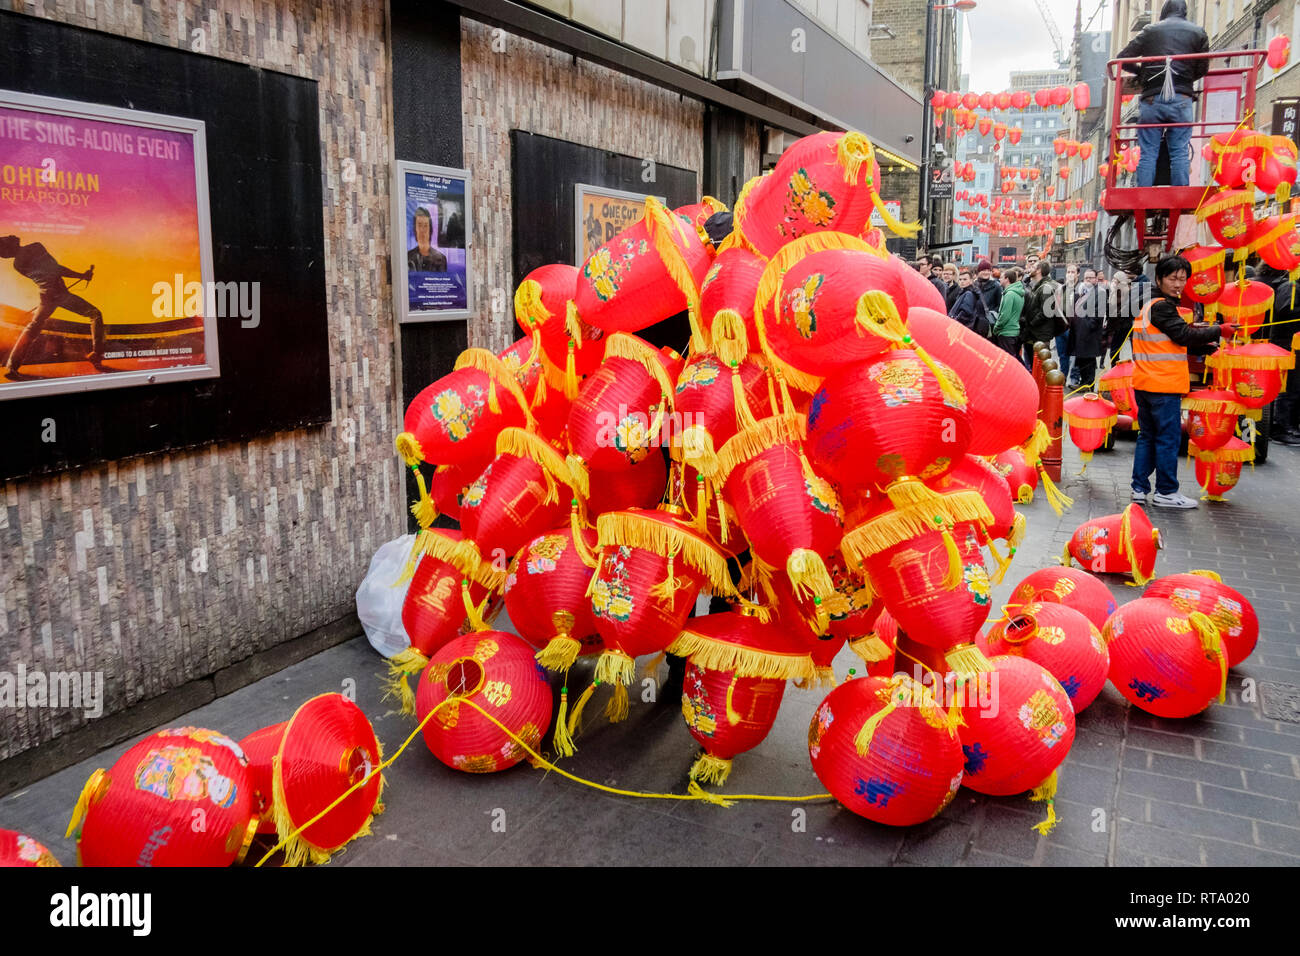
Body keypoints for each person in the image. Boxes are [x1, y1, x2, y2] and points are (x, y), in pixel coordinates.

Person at [1131, 254, 1233, 508]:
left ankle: (1139, 488)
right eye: (1172, 279)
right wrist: (1221, 330)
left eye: (1182, 279)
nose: (1178, 284)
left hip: (1146, 383)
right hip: (1163, 386)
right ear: (1159, 279)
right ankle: (1166, 491)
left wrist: (1206, 346)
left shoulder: (1148, 306)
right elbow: (1183, 333)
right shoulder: (1163, 306)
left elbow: (1169, 342)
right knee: (1167, 438)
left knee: (1147, 437)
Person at [1117, 0, 1210, 188]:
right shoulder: (1198, 33)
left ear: (1164, 11)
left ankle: (1144, 194)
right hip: (1182, 98)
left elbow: (1122, 59)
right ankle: (1179, 195)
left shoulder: (1150, 31)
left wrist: (1142, 72)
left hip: (1152, 97)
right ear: (1184, 12)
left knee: (1148, 152)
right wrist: (1185, 80)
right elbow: (1202, 68)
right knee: (1180, 151)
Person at [1, 235, 105, 374]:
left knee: (32, 328)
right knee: (95, 314)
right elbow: (56, 270)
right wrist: (81, 275)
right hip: (59, 294)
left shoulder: (17, 265)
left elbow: (46, 275)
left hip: (45, 296)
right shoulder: (35, 247)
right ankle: (97, 354)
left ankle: (12, 366)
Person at [1254, 261, 1300, 444]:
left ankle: (1290, 425)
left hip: (1293, 343)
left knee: (1294, 387)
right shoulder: (1291, 286)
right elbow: (1285, 311)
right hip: (1288, 343)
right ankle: (1281, 427)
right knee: (1288, 388)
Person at [1019, 261, 1062, 370]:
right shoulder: (1038, 285)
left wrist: (1032, 323)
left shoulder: (1046, 287)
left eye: (1033, 267)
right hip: (1035, 333)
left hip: (1040, 334)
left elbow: (1046, 312)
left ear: (1038, 270)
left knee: (1040, 368)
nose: (1030, 269)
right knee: (1034, 366)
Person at [1072, 269, 1107, 387]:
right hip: (1080, 333)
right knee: (1082, 360)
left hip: (1090, 333)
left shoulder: (1099, 293)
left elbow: (1097, 316)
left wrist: (1086, 326)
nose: (1087, 280)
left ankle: (1088, 386)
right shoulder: (1084, 292)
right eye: (1086, 278)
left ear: (1096, 279)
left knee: (1089, 361)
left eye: (1090, 278)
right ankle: (1083, 383)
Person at [994, 267, 1025, 357]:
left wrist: (996, 328)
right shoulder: (1018, 292)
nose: (999, 279)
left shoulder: (1009, 294)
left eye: (1001, 277)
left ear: (1007, 279)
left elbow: (1005, 315)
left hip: (1006, 332)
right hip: (1014, 331)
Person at [408, 207, 447, 272]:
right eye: (419, 225)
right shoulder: (408, 257)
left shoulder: (441, 259)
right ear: (415, 229)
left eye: (425, 225)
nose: (422, 230)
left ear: (430, 229)